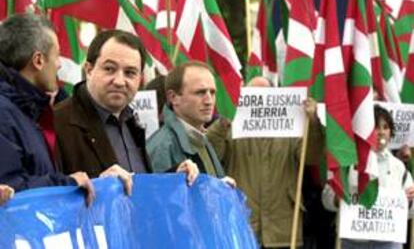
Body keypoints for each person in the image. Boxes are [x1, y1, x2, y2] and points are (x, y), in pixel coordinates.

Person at [54, 30, 198, 194]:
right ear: (89, 70)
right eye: (109, 69)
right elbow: (47, 199)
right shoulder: (57, 123)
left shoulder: (132, 122)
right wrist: (100, 186)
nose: (119, 81)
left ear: (140, 79)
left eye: (130, 72)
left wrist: (173, 178)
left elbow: (136, 192)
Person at [206, 76, 324, 248]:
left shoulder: (291, 130)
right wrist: (222, 124)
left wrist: (312, 123)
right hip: (241, 225)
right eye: (254, 95)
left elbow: (312, 156)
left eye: (265, 95)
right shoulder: (231, 127)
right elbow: (209, 153)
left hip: (282, 229)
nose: (260, 101)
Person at [0, 13, 94, 205]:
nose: (59, 64)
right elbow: (10, 189)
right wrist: (67, 183)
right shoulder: (4, 113)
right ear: (38, 60)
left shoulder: (26, 112)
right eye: (57, 55)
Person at [322, 104, 414, 249]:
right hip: (353, 242)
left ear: (391, 132)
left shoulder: (399, 167)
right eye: (376, 127)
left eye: (386, 127)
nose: (381, 132)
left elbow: (409, 213)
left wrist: (409, 202)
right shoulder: (347, 163)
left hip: (389, 242)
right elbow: (326, 199)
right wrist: (336, 198)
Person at [147, 61, 235, 186]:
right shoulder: (162, 146)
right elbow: (157, 200)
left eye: (212, 92)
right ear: (173, 97)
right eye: (200, 92)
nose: (209, 101)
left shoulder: (200, 138)